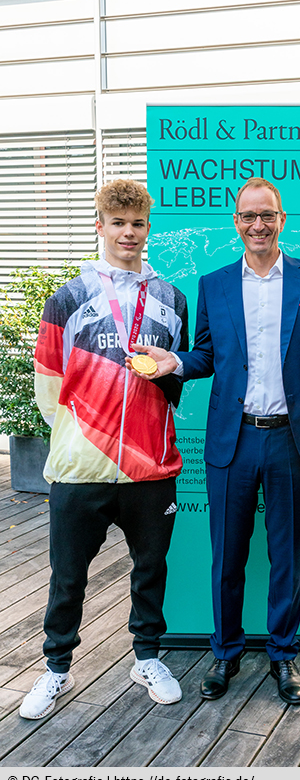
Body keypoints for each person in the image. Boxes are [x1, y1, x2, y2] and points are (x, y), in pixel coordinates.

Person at [130, 176, 300, 705]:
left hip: (291, 440)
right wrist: (175, 362)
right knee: (227, 557)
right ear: (236, 222)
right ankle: (226, 652)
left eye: (267, 215)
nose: (259, 224)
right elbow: (206, 355)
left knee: (288, 556)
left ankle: (283, 654)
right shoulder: (212, 284)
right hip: (231, 441)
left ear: (282, 219)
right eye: (248, 215)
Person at [19, 179, 188, 720]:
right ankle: (56, 667)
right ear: (100, 226)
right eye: (118, 223)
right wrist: (82, 438)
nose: (128, 233)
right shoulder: (67, 298)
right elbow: (49, 384)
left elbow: (175, 377)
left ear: (147, 228)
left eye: (137, 223)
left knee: (150, 568)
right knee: (68, 576)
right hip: (81, 467)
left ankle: (147, 657)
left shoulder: (171, 299)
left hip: (151, 468)